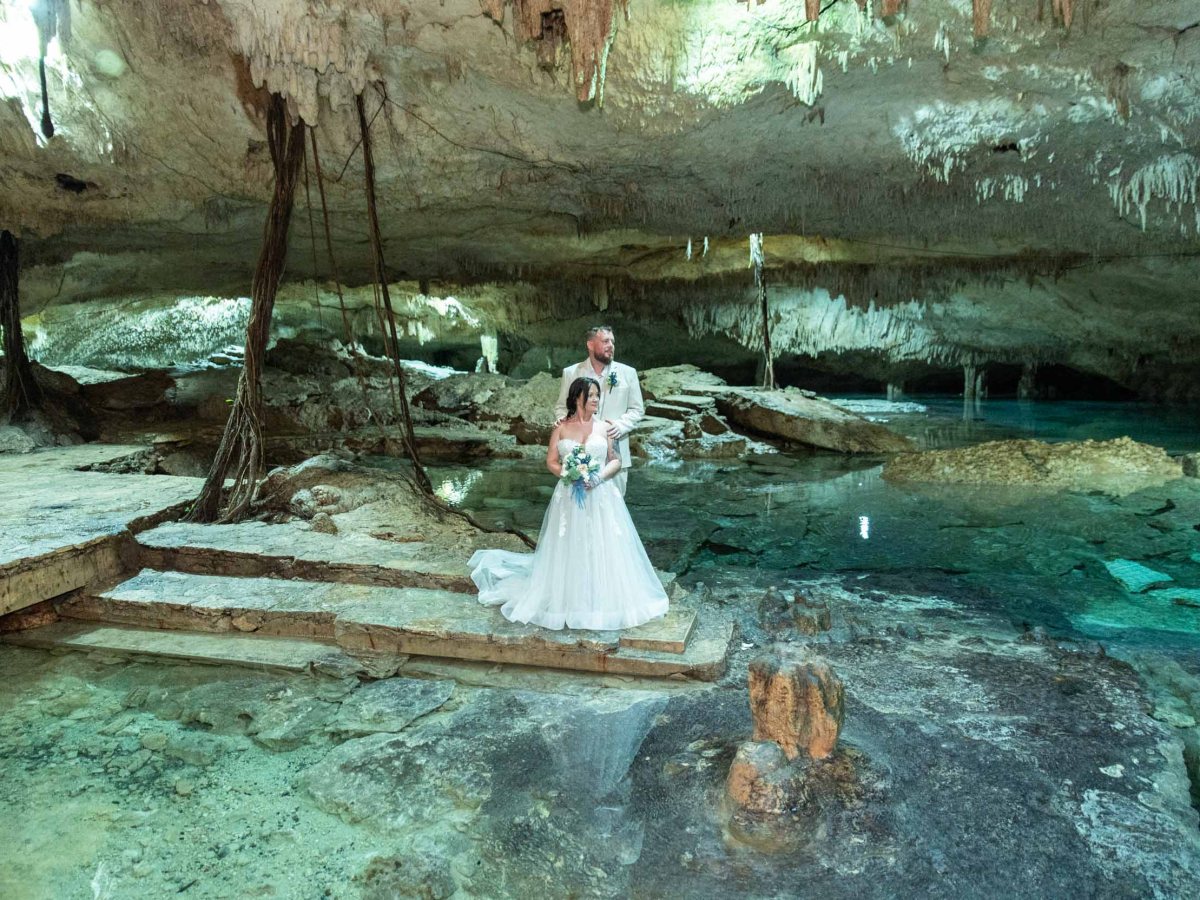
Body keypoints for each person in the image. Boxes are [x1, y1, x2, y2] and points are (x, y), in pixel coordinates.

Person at [469, 376, 669, 631]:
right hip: (568, 495)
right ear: (578, 398)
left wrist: (597, 478)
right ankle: (568, 594)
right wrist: (567, 474)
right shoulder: (561, 428)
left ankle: (601, 595)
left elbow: (615, 460)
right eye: (592, 395)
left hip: (601, 495)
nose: (597, 399)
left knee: (602, 542)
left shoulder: (606, 427)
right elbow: (552, 460)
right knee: (568, 541)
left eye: (598, 395)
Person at [554, 326, 644, 496]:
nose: (611, 345)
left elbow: (637, 409)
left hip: (614, 458)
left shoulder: (628, 373)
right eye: (605, 341)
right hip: (579, 458)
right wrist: (566, 423)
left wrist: (620, 426)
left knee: (614, 513)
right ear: (590, 344)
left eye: (612, 341)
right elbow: (561, 407)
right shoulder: (571, 372)